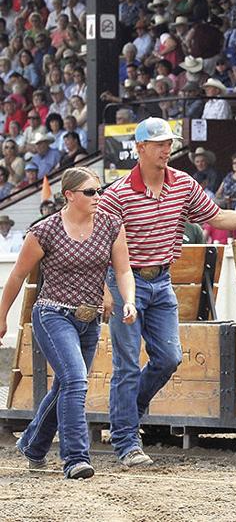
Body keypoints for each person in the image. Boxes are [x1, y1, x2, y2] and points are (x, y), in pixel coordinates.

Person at [98, 118, 236, 467]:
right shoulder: (117, 194)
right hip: (126, 282)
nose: (166, 149)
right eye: (158, 144)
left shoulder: (183, 184)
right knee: (126, 363)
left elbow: (218, 217)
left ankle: (129, 414)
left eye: (169, 143)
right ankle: (126, 440)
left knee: (169, 358)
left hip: (161, 281)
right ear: (139, 148)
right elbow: (99, 245)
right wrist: (105, 291)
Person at [0, 167, 138, 479]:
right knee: (76, 381)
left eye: (99, 191)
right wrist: (2, 317)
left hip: (88, 319)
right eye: (90, 192)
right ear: (70, 195)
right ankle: (75, 458)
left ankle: (33, 445)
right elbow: (18, 276)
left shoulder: (112, 225)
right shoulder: (44, 231)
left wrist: (128, 299)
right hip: (52, 314)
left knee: (66, 384)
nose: (97, 197)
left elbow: (123, 270)